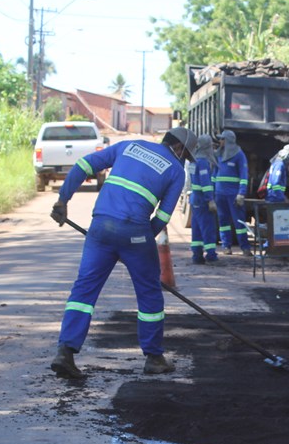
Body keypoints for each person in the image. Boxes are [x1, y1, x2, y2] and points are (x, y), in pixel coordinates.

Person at [49, 127, 197, 379]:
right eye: (186, 156)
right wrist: (139, 242)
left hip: (100, 227)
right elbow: (162, 217)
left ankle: (65, 352)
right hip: (136, 230)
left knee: (84, 290)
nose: (184, 161)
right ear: (179, 148)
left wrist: (63, 200)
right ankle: (154, 358)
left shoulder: (129, 146)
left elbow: (84, 165)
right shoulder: (175, 170)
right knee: (149, 293)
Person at [213, 130, 251, 255]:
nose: (220, 141)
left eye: (222, 139)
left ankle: (245, 248)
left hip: (234, 195)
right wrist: (212, 192)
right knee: (223, 221)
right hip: (220, 194)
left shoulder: (239, 155)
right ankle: (226, 246)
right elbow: (214, 175)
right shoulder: (218, 154)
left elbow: (244, 176)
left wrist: (241, 193)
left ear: (227, 140)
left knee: (239, 222)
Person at [189, 134, 220, 264]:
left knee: (196, 228)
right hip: (202, 200)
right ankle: (211, 255)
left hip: (195, 199)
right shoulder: (203, 162)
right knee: (208, 227)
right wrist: (210, 200)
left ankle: (197, 255)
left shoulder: (193, 160)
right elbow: (205, 183)